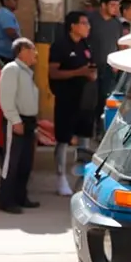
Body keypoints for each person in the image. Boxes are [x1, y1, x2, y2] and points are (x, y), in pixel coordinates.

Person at [49, 11, 97, 197]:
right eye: (84, 23)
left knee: (84, 138)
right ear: (73, 26)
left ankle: (83, 178)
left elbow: (89, 68)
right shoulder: (60, 45)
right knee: (63, 140)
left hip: (85, 100)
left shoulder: (85, 45)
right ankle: (60, 177)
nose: (88, 27)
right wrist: (79, 72)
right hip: (66, 100)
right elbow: (53, 73)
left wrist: (91, 74)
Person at [0, 38, 40, 215]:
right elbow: (6, 98)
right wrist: (15, 120)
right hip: (16, 122)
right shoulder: (12, 69)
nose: (35, 53)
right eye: (32, 49)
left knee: (25, 162)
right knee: (12, 163)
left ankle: (21, 197)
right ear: (22, 50)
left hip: (29, 122)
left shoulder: (26, 72)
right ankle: (6, 201)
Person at [88, 0, 123, 138]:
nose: (115, 8)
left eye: (117, 5)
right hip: (91, 68)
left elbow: (119, 45)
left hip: (109, 69)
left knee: (106, 99)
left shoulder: (116, 24)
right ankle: (90, 131)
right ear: (103, 5)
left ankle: (103, 132)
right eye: (112, 5)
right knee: (91, 101)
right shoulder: (91, 20)